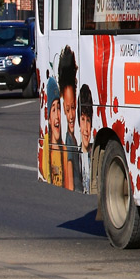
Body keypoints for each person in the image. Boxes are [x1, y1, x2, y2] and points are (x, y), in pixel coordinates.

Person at [57, 45, 83, 192]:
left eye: (73, 108)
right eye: (68, 109)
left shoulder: (75, 138)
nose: (71, 115)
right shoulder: (69, 142)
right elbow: (72, 182)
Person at [77, 84, 94, 195]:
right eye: (83, 119)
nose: (86, 129)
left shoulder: (94, 154)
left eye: (88, 120)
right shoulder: (74, 157)